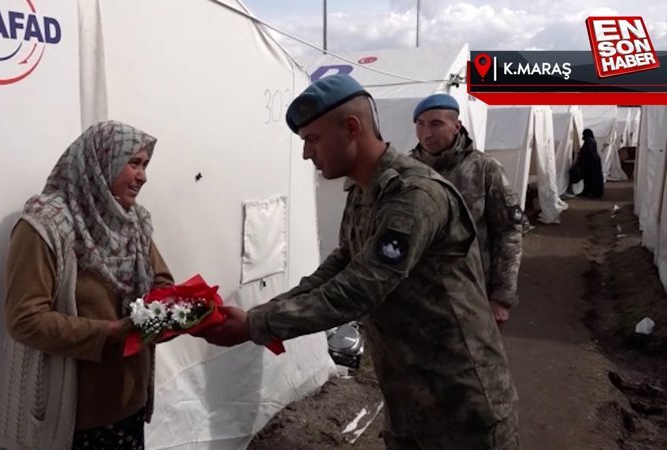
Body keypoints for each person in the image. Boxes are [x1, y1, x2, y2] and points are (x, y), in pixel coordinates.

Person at [198, 75, 519, 449]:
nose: (306, 154)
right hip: (407, 397)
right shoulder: (365, 189)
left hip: (460, 401)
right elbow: (342, 262)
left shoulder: (414, 195)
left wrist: (258, 324)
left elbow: (361, 288)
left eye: (312, 140)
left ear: (351, 128)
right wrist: (271, 308)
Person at [0, 121, 174, 450]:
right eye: (133, 163)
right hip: (73, 418)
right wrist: (109, 333)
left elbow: (161, 278)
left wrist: (168, 312)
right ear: (100, 162)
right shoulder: (44, 227)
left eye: (145, 165)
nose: (142, 176)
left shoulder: (132, 221)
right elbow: (25, 320)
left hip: (128, 402)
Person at [410, 93, 523, 327]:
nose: (426, 133)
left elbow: (509, 232)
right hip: (420, 298)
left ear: (456, 126)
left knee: (477, 363)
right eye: (420, 125)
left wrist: (502, 296)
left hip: (473, 297)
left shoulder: (484, 169)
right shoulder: (408, 170)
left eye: (436, 124)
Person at [575, 128, 604, 198]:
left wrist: (581, 153)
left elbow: (588, 151)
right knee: (594, 177)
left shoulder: (588, 141)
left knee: (591, 177)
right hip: (594, 161)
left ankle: (592, 192)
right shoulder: (592, 140)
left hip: (591, 162)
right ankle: (594, 192)